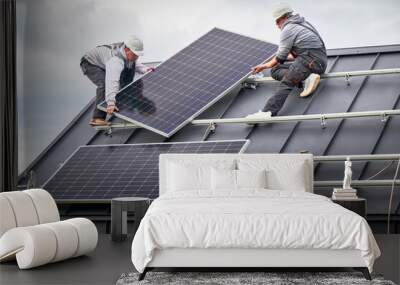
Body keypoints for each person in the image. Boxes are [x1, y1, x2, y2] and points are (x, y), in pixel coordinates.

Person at [248, 3, 327, 120]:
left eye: (278, 20)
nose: (276, 24)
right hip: (316, 60)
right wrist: (274, 63)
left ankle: (267, 112)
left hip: (310, 60)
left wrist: (264, 66)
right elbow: (289, 55)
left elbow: (280, 56)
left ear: (285, 17)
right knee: (275, 70)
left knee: (286, 82)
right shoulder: (302, 23)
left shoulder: (288, 28)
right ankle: (306, 79)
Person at [80, 35, 154, 126]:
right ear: (127, 50)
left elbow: (135, 63)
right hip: (90, 63)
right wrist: (111, 103)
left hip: (105, 62)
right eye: (135, 54)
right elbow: (112, 81)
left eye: (138, 55)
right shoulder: (116, 61)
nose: (136, 57)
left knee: (129, 73)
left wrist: (145, 69)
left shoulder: (129, 54)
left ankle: (125, 107)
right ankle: (97, 118)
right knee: (104, 84)